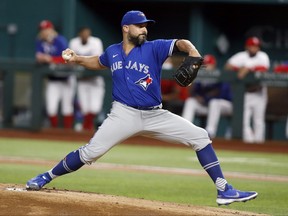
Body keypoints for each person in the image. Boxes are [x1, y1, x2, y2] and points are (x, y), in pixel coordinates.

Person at [26, 10, 257, 206]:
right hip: (123, 114)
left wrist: (193, 52)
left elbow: (181, 43)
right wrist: (76, 58)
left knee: (200, 136)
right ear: (126, 28)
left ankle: (224, 189)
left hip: (155, 114)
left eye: (146, 26)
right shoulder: (113, 51)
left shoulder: (154, 48)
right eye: (139, 26)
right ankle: (46, 176)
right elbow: (98, 61)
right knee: (90, 153)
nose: (144, 30)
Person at [224, 37, 270, 143]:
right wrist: (239, 69)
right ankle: (249, 144)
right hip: (245, 93)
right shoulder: (241, 56)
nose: (254, 48)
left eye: (256, 46)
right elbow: (227, 67)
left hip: (259, 93)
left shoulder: (262, 56)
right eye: (252, 46)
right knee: (244, 121)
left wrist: (248, 68)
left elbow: (263, 69)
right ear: (247, 47)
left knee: (258, 121)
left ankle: (259, 144)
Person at [182, 54, 233, 139]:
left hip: (226, 105)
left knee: (214, 102)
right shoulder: (201, 77)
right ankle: (185, 129)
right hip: (208, 106)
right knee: (190, 101)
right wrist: (197, 95)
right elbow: (194, 93)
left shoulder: (220, 75)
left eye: (208, 64)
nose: (206, 67)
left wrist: (205, 98)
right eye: (204, 65)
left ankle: (210, 132)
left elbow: (221, 94)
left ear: (214, 65)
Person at [36, 20, 75, 129]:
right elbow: (38, 57)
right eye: (42, 30)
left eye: (46, 29)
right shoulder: (40, 41)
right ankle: (54, 133)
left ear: (51, 29)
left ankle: (68, 134)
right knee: (51, 108)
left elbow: (68, 59)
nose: (44, 32)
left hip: (66, 78)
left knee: (67, 108)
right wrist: (42, 59)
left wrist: (50, 59)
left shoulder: (60, 40)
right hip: (53, 79)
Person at [69, 27, 105, 131]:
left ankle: (86, 127)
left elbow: (98, 61)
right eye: (83, 33)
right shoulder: (74, 43)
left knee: (95, 108)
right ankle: (87, 129)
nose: (86, 35)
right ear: (79, 34)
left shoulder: (96, 42)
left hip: (95, 80)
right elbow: (72, 62)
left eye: (87, 33)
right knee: (84, 109)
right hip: (82, 80)